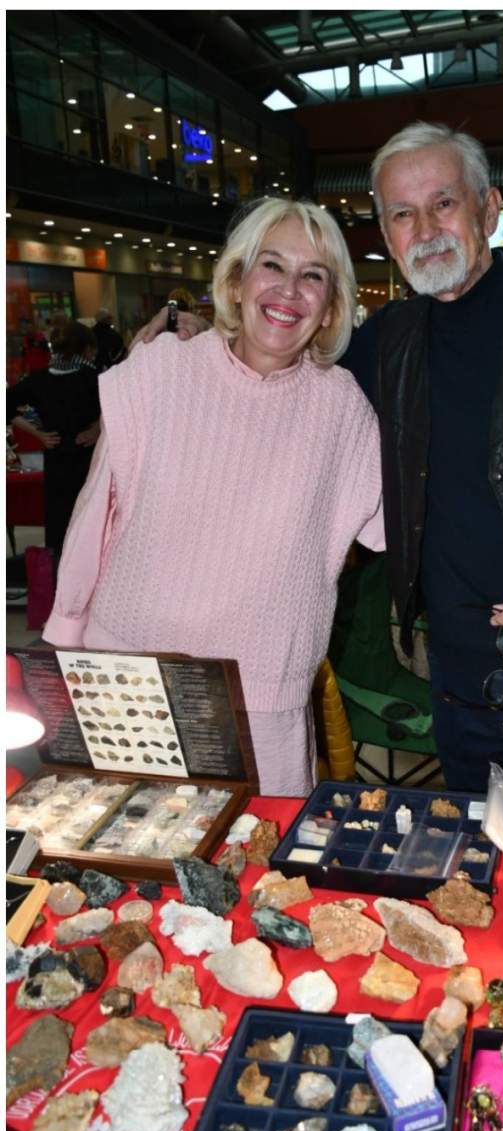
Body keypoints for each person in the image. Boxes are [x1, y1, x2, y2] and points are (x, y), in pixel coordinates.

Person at [135, 123, 503, 820]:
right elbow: (276, 376)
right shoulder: (382, 345)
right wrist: (203, 347)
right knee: (484, 867)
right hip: (458, 687)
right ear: (385, 232)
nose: (425, 229)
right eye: (403, 213)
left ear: (488, 210)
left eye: (443, 203)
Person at [43, 198, 384, 796]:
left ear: (331, 305)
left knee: (260, 852)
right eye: (271, 265)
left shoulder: (344, 408)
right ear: (236, 280)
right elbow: (96, 512)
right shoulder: (159, 373)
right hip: (131, 677)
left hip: (263, 698)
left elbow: (401, 524)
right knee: (128, 847)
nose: (289, 290)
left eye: (313, 275)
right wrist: (67, 637)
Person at [7, 321, 101, 558]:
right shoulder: (94, 378)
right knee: (93, 527)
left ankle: (60, 575)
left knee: (61, 529)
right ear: (87, 349)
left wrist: (38, 434)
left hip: (56, 459)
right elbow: (123, 407)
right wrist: (98, 428)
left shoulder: (38, 380)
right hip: (90, 461)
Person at [92, 308, 127, 373]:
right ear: (106, 319)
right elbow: (121, 352)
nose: (112, 319)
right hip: (111, 369)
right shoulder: (113, 335)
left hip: (94, 368)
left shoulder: (90, 333)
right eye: (110, 318)